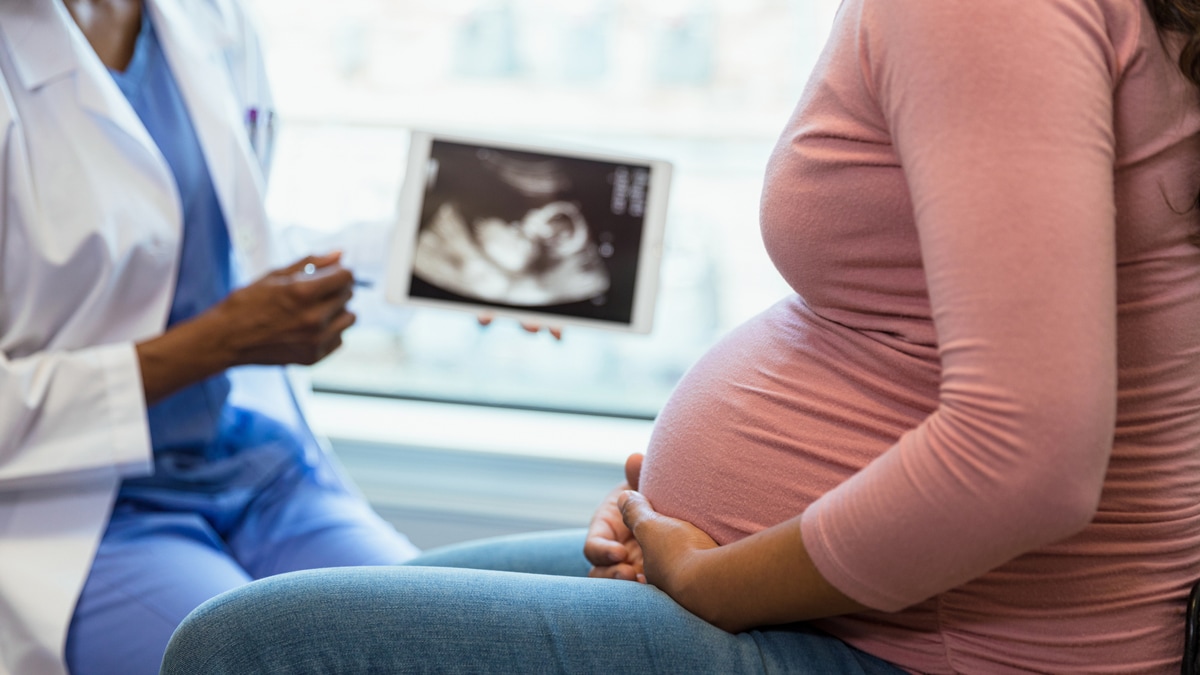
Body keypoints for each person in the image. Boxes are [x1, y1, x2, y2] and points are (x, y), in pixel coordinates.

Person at [161, 0, 1200, 672]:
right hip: (892, 603)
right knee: (361, 609)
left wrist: (713, 576)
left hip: (947, 644)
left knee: (246, 649)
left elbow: (1029, 461)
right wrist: (690, 495)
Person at [0, 1, 441, 673]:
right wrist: (215, 344)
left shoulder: (207, 18)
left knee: (453, 639)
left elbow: (214, 247)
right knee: (254, 660)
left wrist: (437, 264)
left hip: (247, 466)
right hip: (73, 508)